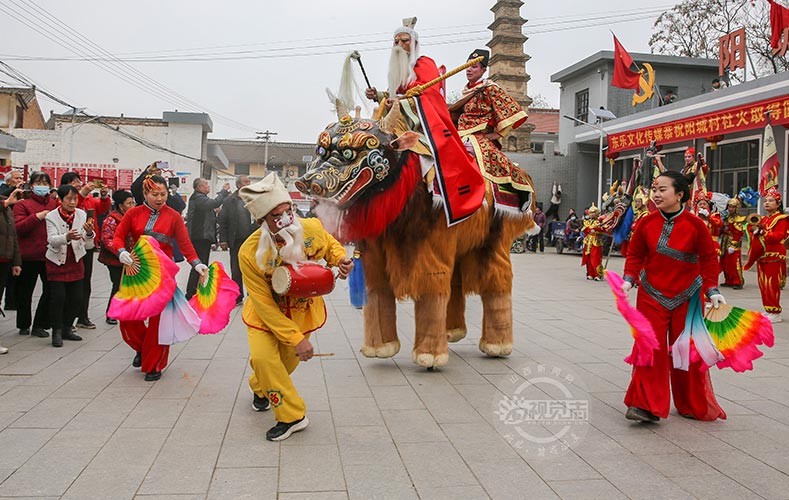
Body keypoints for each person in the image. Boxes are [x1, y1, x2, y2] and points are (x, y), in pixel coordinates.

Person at [238, 173, 352, 441]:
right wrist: (295, 339)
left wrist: (341, 260)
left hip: (302, 311)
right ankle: (292, 417)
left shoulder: (310, 228)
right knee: (265, 359)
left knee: (282, 367)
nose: (285, 218)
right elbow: (263, 304)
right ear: (261, 221)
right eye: (275, 215)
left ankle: (260, 386)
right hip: (266, 317)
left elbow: (331, 246)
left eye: (287, 211)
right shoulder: (249, 253)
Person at [620, 171, 727, 422]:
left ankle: (690, 403)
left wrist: (712, 289)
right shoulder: (646, 223)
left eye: (662, 189)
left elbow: (710, 258)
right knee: (650, 348)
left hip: (687, 295)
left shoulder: (696, 225)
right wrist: (629, 278)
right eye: (654, 189)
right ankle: (646, 406)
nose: (656, 194)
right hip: (651, 294)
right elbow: (635, 254)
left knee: (685, 352)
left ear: (679, 194)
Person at [363, 18, 485, 225]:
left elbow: (428, 94)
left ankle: (431, 194)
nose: (400, 46)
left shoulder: (424, 63)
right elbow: (398, 95)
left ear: (415, 44)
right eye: (396, 42)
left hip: (423, 123)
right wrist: (379, 95)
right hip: (400, 120)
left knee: (418, 153)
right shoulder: (400, 72)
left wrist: (401, 101)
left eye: (404, 41)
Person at [111, 175, 208, 381]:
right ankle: (143, 348)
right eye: (155, 194)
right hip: (137, 271)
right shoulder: (133, 213)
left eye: (163, 194)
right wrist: (120, 251)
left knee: (159, 322)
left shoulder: (173, 216)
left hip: (163, 274)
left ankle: (154, 364)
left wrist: (196, 263)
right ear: (145, 194)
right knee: (128, 318)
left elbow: (185, 243)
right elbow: (118, 236)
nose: (160, 198)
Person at [447, 48, 535, 211]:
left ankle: (522, 190)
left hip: (479, 137)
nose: (469, 69)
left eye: (474, 66)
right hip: (460, 134)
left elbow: (512, 110)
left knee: (493, 160)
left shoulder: (490, 88)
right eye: (467, 66)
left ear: (483, 70)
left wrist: (497, 134)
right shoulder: (465, 92)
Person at [60, 172, 111, 331]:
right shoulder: (64, 201)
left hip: (87, 244)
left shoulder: (89, 200)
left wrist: (104, 196)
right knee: (69, 283)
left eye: (78, 181)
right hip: (69, 245)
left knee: (85, 282)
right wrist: (81, 194)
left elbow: (102, 208)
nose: (77, 184)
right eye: (73, 182)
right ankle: (66, 319)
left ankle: (83, 316)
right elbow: (72, 204)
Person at [45, 185, 94, 347]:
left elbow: (88, 241)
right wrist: (66, 236)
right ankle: (57, 331)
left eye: (75, 199)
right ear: (60, 199)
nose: (72, 202)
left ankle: (67, 327)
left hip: (76, 260)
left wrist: (88, 232)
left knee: (77, 298)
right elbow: (51, 239)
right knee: (58, 298)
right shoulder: (52, 216)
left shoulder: (81, 214)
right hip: (57, 261)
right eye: (68, 199)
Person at [13, 172, 58, 338]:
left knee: (50, 290)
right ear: (31, 186)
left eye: (45, 182)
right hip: (28, 256)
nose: (42, 185)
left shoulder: (54, 204)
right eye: (39, 182)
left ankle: (40, 324)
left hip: (49, 255)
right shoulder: (22, 205)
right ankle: (23, 324)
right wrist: (37, 217)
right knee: (25, 292)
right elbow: (18, 228)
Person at [746, 188, 789, 323]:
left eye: (771, 201)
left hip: (774, 256)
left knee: (772, 284)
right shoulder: (764, 219)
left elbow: (779, 236)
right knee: (763, 284)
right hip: (763, 256)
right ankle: (769, 309)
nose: (767, 203)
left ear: (778, 203)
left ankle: (775, 311)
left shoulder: (781, 219)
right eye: (765, 201)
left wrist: (763, 232)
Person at [185, 177, 230, 299]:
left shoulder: (200, 198)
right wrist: (223, 191)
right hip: (200, 237)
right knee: (199, 266)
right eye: (205, 184)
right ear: (199, 187)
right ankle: (191, 293)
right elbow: (214, 202)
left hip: (202, 237)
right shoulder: (198, 198)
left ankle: (195, 291)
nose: (208, 186)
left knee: (201, 265)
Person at [218, 176, 257, 306]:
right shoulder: (230, 201)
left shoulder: (253, 199)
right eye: (246, 182)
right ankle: (238, 296)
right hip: (235, 240)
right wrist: (223, 239)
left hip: (251, 240)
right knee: (236, 269)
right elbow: (222, 221)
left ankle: (253, 295)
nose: (249, 184)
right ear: (239, 185)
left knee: (252, 269)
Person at [98, 190, 135, 325]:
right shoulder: (111, 220)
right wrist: (120, 252)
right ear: (120, 205)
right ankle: (111, 313)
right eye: (129, 203)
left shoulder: (131, 217)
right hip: (115, 260)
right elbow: (107, 239)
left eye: (133, 202)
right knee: (118, 285)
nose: (132, 205)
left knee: (128, 285)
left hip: (130, 259)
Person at [0, 187, 23, 354]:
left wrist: (16, 262)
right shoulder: (4, 204)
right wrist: (5, 203)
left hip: (4, 260)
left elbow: (13, 236)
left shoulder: (7, 206)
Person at [719, 198, 746, 289]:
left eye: (733, 207)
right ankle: (728, 280)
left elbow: (738, 233)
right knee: (725, 263)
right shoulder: (726, 217)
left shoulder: (739, 219)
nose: (731, 209)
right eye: (729, 206)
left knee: (734, 263)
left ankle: (737, 281)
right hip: (725, 242)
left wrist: (733, 245)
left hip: (733, 244)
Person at [581, 203, 607, 280]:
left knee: (595, 258)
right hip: (588, 241)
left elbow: (604, 230)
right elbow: (584, 230)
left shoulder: (599, 222)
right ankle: (590, 273)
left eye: (593, 213)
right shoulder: (587, 222)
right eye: (591, 213)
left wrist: (596, 230)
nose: (592, 214)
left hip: (596, 241)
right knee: (588, 258)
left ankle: (597, 274)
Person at [693, 193, 722, 259]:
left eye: (704, 204)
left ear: (708, 206)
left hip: (711, 246)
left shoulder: (714, 216)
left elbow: (719, 224)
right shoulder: (693, 218)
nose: (702, 206)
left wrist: (708, 217)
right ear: (696, 207)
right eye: (700, 204)